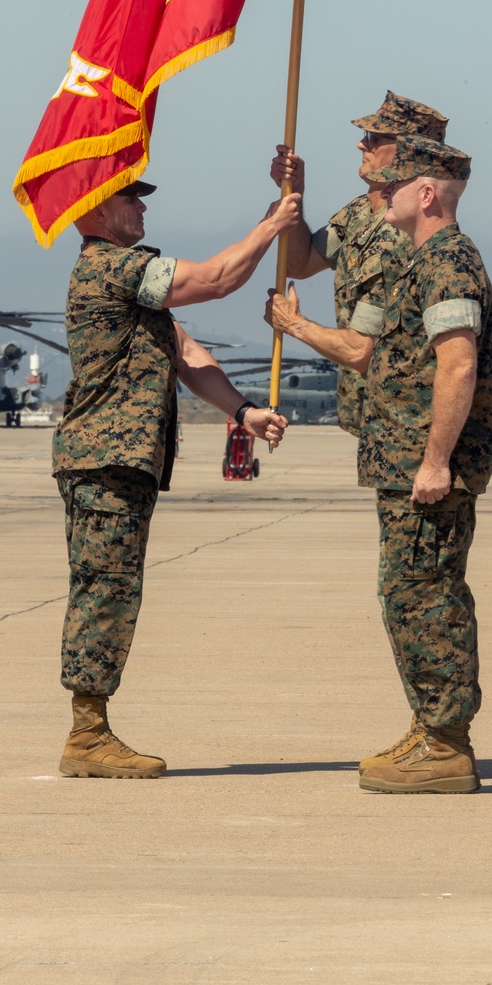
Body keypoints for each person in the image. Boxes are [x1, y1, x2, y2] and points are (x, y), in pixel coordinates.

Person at [54, 178, 301, 780]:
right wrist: (271, 225)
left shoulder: (131, 285)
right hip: (104, 459)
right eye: (129, 198)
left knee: (115, 589)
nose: (142, 206)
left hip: (121, 462)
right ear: (97, 212)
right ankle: (87, 735)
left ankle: (92, 727)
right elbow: (214, 280)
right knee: (104, 592)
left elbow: (186, 354)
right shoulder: (110, 267)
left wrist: (242, 412)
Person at [354, 136, 492, 793]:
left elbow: (459, 362)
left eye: (391, 184)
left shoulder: (448, 260)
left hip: (429, 470)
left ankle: (446, 742)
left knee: (426, 596)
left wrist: (436, 460)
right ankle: (431, 726)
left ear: (426, 194)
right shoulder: (421, 261)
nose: (378, 194)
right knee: (407, 595)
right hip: (404, 461)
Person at [266, 92, 448, 435]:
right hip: (382, 423)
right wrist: (294, 192)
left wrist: (295, 325)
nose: (361, 146)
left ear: (408, 151)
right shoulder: (361, 213)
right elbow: (300, 264)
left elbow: (362, 351)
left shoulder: (399, 235)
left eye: (374, 139)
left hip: (408, 427)